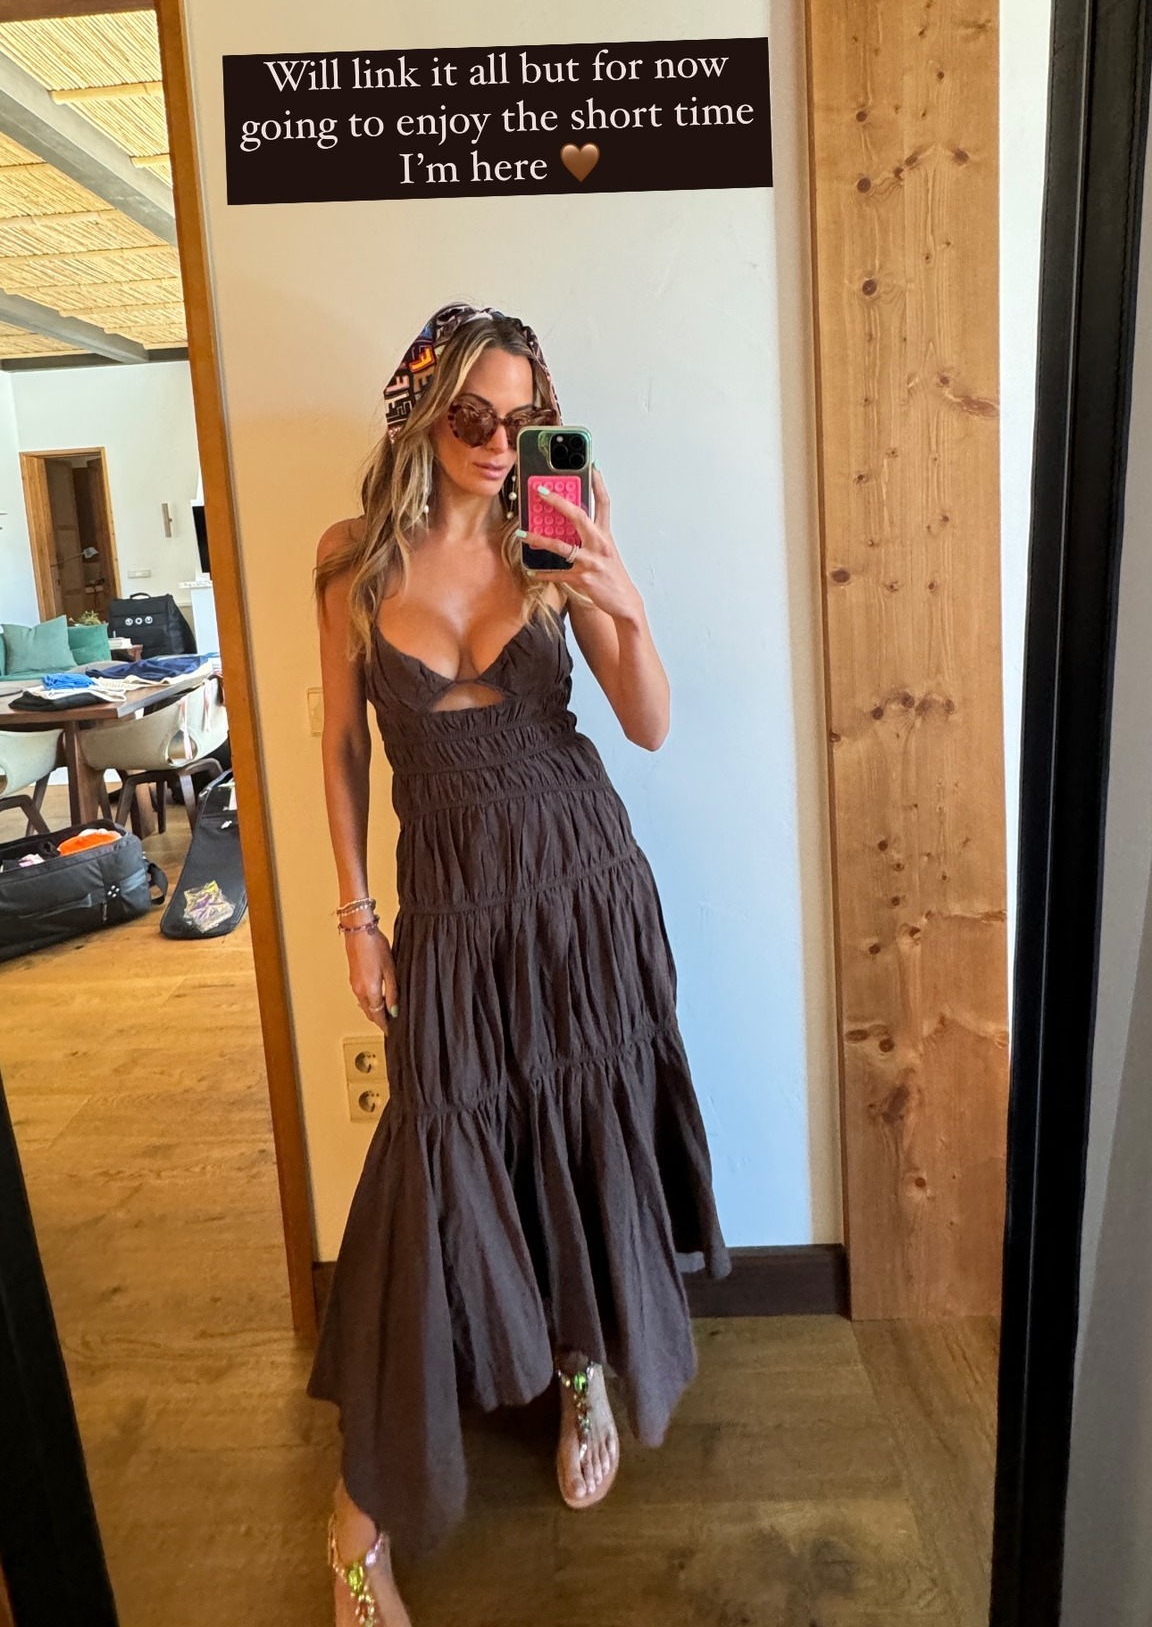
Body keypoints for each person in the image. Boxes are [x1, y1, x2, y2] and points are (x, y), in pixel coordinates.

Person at [309, 303, 731, 1626]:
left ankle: (583, 1370)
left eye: (524, 415)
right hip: (450, 905)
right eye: (473, 415)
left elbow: (649, 725)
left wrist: (623, 601)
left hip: (582, 891)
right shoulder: (349, 562)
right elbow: (341, 747)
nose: (500, 441)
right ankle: (361, 1517)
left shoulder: (558, 529)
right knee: (432, 1168)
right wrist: (356, 914)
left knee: (581, 1134)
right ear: (421, 414)